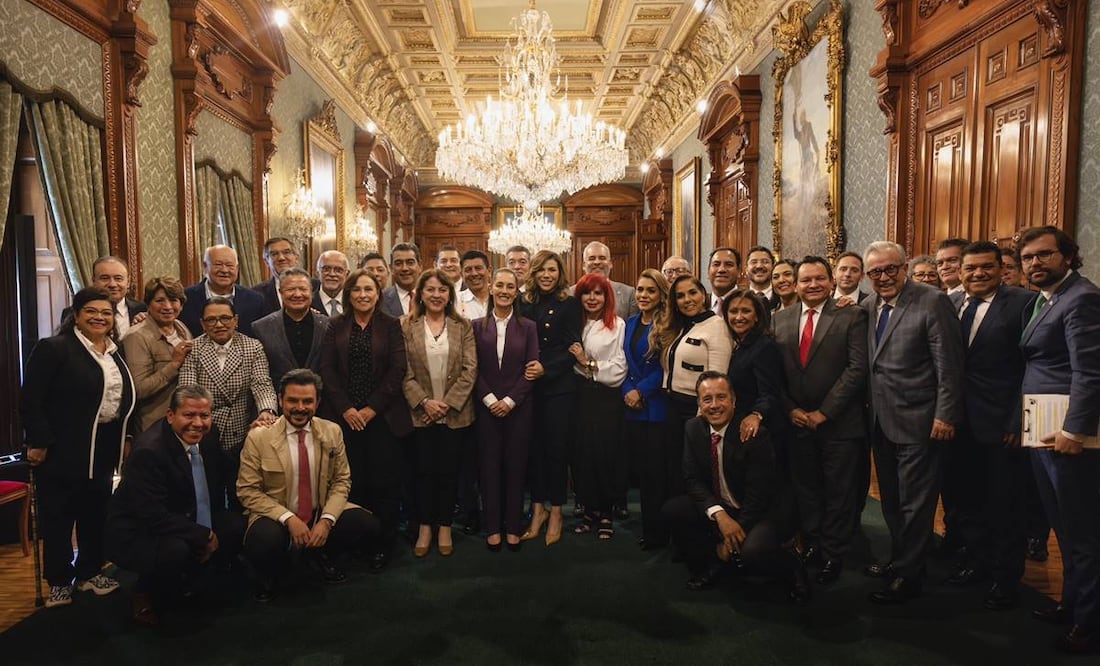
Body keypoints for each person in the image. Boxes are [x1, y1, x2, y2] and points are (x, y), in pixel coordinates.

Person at [861, 241, 964, 604]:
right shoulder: (868, 305)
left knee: (916, 503)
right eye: (875, 272)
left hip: (921, 420)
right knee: (891, 499)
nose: (884, 277)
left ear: (905, 267)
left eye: (891, 269)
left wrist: (945, 415)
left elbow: (949, 365)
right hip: (880, 421)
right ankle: (903, 559)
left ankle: (911, 576)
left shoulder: (931, 300)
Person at [22, 287, 136, 608]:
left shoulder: (115, 351)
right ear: (77, 314)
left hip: (103, 445)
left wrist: (126, 437)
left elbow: (119, 398)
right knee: (59, 515)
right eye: (92, 312)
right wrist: (39, 441)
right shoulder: (54, 349)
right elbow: (31, 400)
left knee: (95, 512)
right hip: (61, 447)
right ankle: (59, 580)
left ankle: (89, 572)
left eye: (106, 313)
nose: (99, 317)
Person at [1017, 226, 1100, 654]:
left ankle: (1089, 623)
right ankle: (1071, 604)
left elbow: (1090, 371)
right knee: (1064, 531)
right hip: (1041, 429)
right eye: (1028, 257)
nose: (1034, 263)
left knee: (1083, 532)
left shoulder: (1082, 298)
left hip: (1066, 436)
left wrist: (1075, 429)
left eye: (1044, 255)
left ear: (1067, 256)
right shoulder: (1046, 299)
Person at [939, 241, 1033, 610]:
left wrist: (1016, 419)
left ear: (1001, 268)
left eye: (986, 267)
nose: (978, 274)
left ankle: (1006, 578)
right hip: (958, 422)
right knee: (966, 501)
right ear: (960, 272)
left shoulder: (1022, 304)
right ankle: (975, 563)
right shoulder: (951, 304)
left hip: (1001, 425)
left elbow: (1031, 367)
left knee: (1004, 506)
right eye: (970, 268)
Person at [659, 372, 806, 601]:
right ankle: (717, 560)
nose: (715, 405)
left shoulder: (754, 434)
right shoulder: (693, 428)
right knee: (673, 511)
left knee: (753, 550)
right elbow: (692, 479)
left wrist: (733, 534)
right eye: (707, 399)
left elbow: (759, 496)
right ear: (699, 403)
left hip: (762, 511)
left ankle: (792, 566)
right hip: (725, 507)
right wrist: (720, 516)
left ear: (734, 401)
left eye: (721, 397)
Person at [104, 385, 244, 625]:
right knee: (176, 549)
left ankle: (195, 580)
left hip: (183, 514)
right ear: (170, 416)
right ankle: (145, 591)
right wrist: (204, 534)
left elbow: (226, 467)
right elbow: (152, 515)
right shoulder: (149, 451)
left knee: (235, 524)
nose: (198, 423)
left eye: (204, 415)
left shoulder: (209, 436)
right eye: (189, 415)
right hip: (141, 529)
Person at [238, 369, 380, 602]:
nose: (300, 407)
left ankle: (321, 553)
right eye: (293, 400)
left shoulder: (332, 431)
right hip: (276, 516)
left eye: (307, 401)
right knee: (263, 540)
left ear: (318, 403)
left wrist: (326, 521)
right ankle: (270, 574)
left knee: (367, 524)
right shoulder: (259, 437)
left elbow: (342, 481)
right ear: (280, 400)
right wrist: (288, 519)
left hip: (318, 511)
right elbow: (247, 491)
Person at [774, 257, 868, 585]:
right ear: (795, 284)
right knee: (807, 488)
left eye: (819, 279)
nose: (812, 285)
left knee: (839, 492)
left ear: (831, 281)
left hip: (839, 423)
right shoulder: (780, 319)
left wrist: (824, 412)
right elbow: (776, 375)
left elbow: (857, 369)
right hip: (796, 422)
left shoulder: (852, 316)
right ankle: (813, 542)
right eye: (805, 280)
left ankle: (833, 553)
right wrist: (790, 410)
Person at [319, 269, 412, 571]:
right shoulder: (335, 326)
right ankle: (356, 540)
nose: (362, 294)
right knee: (352, 482)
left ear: (377, 293)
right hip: (345, 418)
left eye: (368, 289)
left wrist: (372, 408)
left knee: (384, 484)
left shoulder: (391, 325)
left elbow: (397, 370)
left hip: (382, 418)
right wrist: (346, 408)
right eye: (356, 289)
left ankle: (382, 545)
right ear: (348, 294)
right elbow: (328, 371)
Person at [401, 269, 477, 558]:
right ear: (421, 293)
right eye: (430, 289)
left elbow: (471, 370)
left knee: (449, 473)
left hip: (455, 415)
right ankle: (424, 527)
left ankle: (444, 525)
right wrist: (424, 402)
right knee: (422, 473)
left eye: (442, 290)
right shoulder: (405, 325)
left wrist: (446, 403)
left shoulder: (463, 326)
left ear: (450, 294)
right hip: (419, 414)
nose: (436, 295)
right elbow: (402, 372)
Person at [178, 297, 278, 508]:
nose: (219, 324)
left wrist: (267, 410)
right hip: (204, 433)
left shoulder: (253, 347)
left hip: (241, 433)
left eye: (225, 318)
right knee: (207, 495)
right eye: (212, 320)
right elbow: (188, 392)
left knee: (240, 496)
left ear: (236, 320)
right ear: (203, 323)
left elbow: (262, 384)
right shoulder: (192, 348)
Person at [473, 268, 539, 552]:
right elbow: (471, 368)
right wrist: (490, 400)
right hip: (485, 408)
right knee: (488, 469)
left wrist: (510, 401)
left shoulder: (529, 326)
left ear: (516, 291)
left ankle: (512, 526)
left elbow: (532, 369)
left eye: (509, 286)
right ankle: (492, 527)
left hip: (519, 408)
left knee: (515, 467)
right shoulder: (475, 326)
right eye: (498, 285)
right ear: (491, 287)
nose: (503, 290)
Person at [518, 250, 581, 546]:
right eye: (542, 270)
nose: (547, 275)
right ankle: (538, 509)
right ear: (534, 272)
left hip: (559, 388)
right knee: (534, 452)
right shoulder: (524, 302)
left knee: (556, 451)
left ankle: (556, 511)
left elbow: (572, 347)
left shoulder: (568, 304)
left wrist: (547, 367)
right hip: (529, 388)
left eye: (552, 270)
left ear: (560, 273)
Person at [569, 273, 627, 540]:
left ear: (607, 297)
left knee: (605, 454)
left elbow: (618, 369)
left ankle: (605, 513)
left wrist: (585, 363)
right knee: (582, 455)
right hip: (578, 396)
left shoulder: (617, 324)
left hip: (605, 397)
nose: (592, 298)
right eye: (587, 293)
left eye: (598, 293)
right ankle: (588, 511)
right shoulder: (573, 323)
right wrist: (585, 366)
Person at [623, 269, 674, 550]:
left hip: (656, 408)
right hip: (631, 408)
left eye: (650, 291)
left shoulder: (668, 325)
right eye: (640, 290)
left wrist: (640, 391)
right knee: (642, 474)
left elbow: (664, 367)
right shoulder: (630, 322)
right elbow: (625, 364)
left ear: (661, 295)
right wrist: (627, 392)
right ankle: (648, 527)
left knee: (657, 475)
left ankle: (659, 532)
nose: (643, 295)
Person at [655, 274, 734, 444]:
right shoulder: (680, 326)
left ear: (702, 294)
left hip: (695, 409)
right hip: (671, 406)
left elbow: (717, 378)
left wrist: (701, 417)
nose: (687, 299)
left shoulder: (717, 326)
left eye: (692, 293)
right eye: (680, 296)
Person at [122, 276, 194, 434]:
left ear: (181, 304)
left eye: (173, 300)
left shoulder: (181, 327)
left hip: (185, 424)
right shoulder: (136, 336)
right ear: (148, 304)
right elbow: (138, 390)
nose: (167, 306)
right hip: (154, 427)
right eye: (160, 300)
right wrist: (173, 365)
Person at [721, 290, 786, 456]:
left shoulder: (764, 346)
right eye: (733, 311)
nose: (739, 317)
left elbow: (770, 392)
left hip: (760, 431)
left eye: (746, 311)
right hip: (737, 425)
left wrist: (757, 414)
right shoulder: (736, 344)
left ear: (757, 316)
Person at [251, 268, 329, 388]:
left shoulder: (328, 326)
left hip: (322, 401)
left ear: (312, 292)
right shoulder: (261, 328)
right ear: (281, 292)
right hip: (278, 401)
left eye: (303, 289)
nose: (297, 294)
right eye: (291, 289)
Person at [180, 245, 266, 337]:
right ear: (205, 267)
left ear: (237, 269)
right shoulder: (185, 298)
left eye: (230, 265)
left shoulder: (255, 300)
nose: (224, 270)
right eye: (218, 264)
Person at [60, 256, 147, 339]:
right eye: (105, 278)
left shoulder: (143, 310)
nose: (112, 284)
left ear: (128, 282)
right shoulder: (72, 313)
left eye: (118, 278)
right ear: (94, 281)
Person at [254, 237, 319, 316]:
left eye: (286, 252)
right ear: (266, 261)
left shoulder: (317, 287)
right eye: (274, 254)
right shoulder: (257, 293)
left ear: (296, 257)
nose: (281, 258)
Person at [381, 243, 421, 317]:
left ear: (420, 266)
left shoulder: (431, 296)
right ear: (391, 268)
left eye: (410, 263)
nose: (404, 268)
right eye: (398, 264)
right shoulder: (381, 299)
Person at [313, 250, 350, 317]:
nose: (332, 274)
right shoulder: (307, 303)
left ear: (347, 274)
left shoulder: (354, 302)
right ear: (317, 273)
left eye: (338, 270)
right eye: (326, 269)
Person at [745, 246, 781, 311]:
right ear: (746, 269)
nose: (759, 266)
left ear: (773, 267)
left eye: (765, 262)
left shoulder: (782, 297)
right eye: (754, 262)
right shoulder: (738, 298)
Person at [458, 249, 491, 320]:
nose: (474, 273)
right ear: (461, 275)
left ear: (489, 271)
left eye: (478, 268)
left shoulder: (500, 297)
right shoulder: (456, 301)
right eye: (468, 270)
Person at [707, 247, 741, 313]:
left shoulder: (752, 303)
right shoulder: (699, 305)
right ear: (708, 272)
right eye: (716, 264)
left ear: (739, 271)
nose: (721, 270)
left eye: (729, 265)